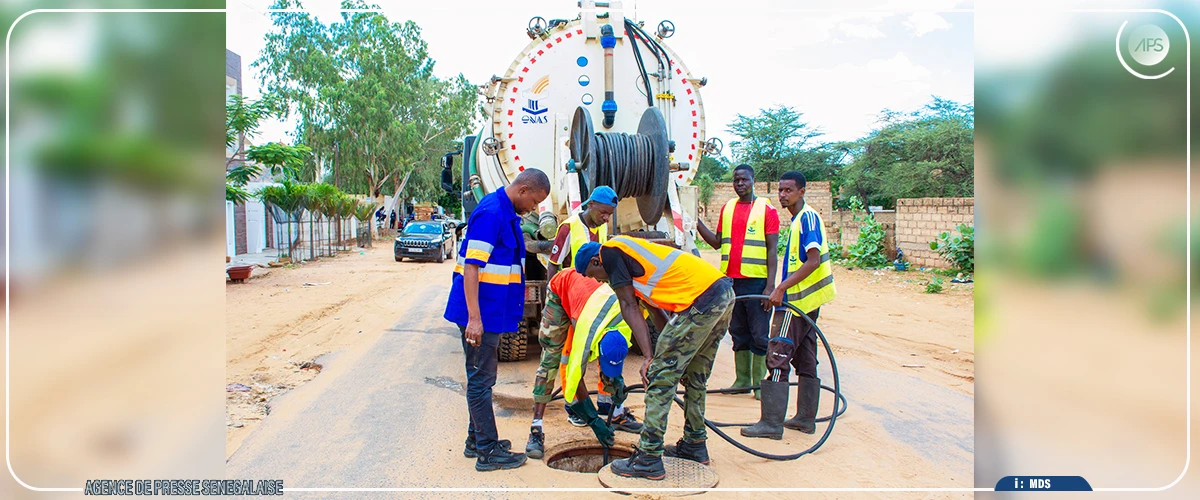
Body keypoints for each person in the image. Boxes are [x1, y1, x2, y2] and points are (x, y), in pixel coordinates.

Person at [578, 236, 735, 480]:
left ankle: (648, 458)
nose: (597, 280)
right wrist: (660, 355)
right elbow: (655, 312)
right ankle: (695, 445)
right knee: (694, 376)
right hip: (721, 294)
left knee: (660, 378)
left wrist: (653, 360)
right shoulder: (634, 267)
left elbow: (628, 307)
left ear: (596, 260)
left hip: (702, 300)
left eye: (592, 274)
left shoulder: (610, 252)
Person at [444, 168, 550, 471]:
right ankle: (488, 453)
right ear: (524, 189)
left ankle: (476, 441)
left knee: (481, 379)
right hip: (480, 314)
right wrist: (475, 320)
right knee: (481, 381)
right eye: (534, 202)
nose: (533, 208)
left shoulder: (504, 210)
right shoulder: (492, 212)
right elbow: (472, 269)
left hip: (489, 311)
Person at [742, 170, 836, 440]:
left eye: (788, 190)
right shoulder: (799, 220)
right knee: (806, 358)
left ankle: (771, 423)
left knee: (777, 354)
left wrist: (781, 288)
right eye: (780, 190)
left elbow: (813, 260)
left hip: (795, 303)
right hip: (806, 302)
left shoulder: (806, 218)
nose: (782, 195)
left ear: (802, 192)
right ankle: (805, 419)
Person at [526, 268, 643, 459]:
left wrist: (617, 384)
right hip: (562, 290)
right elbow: (575, 376)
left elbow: (613, 356)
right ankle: (536, 427)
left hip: (591, 301)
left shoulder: (624, 325)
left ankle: (615, 414)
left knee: (606, 362)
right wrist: (593, 418)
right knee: (552, 358)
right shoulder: (585, 333)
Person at [695, 164, 779, 399]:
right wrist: (697, 222)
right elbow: (716, 242)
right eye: (736, 180)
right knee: (738, 331)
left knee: (759, 333)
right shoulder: (728, 208)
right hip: (732, 282)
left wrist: (770, 286)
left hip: (757, 282)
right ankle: (742, 380)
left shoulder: (767, 210)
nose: (740, 184)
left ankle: (759, 383)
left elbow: (772, 251)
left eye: (744, 180)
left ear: (754, 181)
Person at [547, 186, 619, 280]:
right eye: (603, 212)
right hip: (573, 287)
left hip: (595, 289)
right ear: (591, 204)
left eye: (609, 214)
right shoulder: (569, 227)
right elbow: (553, 264)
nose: (606, 218)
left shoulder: (602, 225)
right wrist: (551, 292)